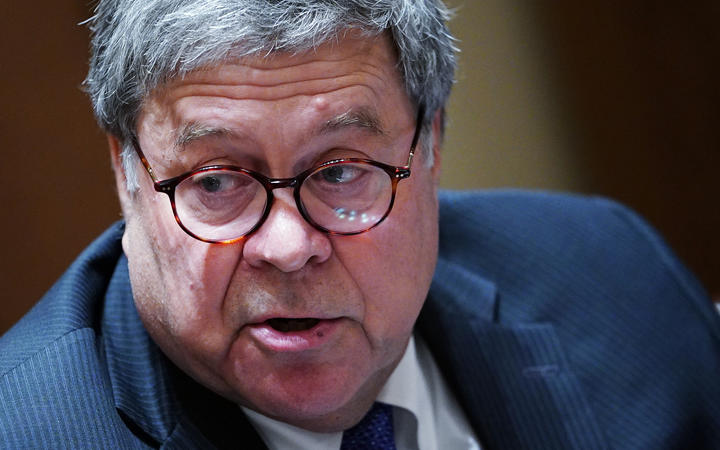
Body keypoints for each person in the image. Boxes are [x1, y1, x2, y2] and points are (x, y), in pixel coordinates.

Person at [1, 0, 719, 448]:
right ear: (127, 173)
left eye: (341, 170)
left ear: (430, 145)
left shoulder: (614, 275)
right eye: (216, 181)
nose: (287, 247)